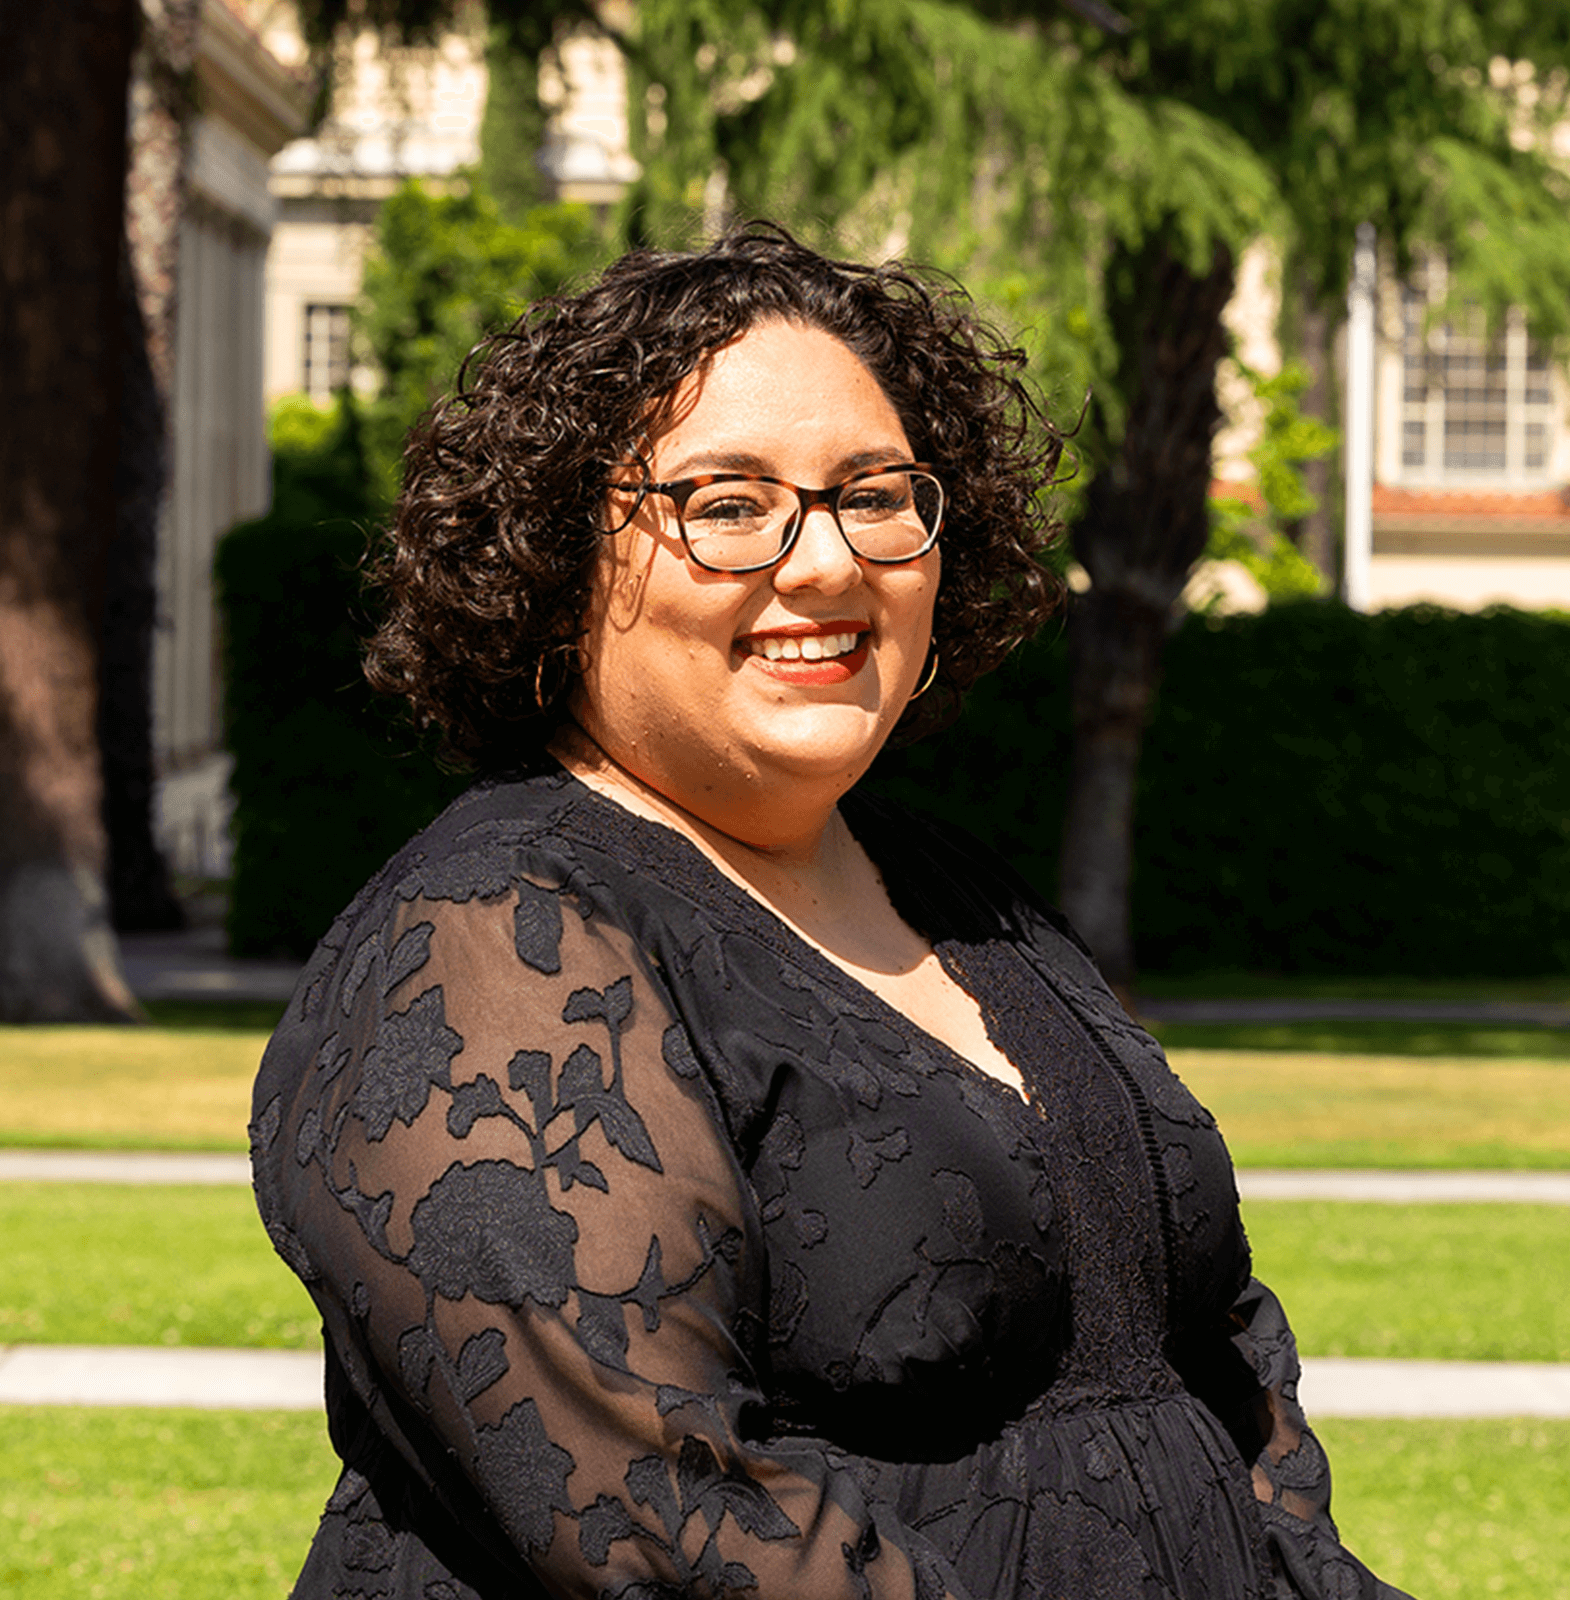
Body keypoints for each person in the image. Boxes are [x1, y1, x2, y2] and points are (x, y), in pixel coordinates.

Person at [251, 224, 1410, 1600]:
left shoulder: (962, 897)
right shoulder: (492, 940)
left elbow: (1210, 1360)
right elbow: (662, 1525)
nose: (825, 563)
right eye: (728, 504)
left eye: (875, 494)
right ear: (561, 559)